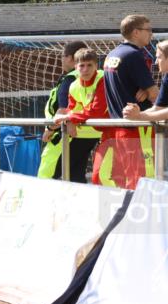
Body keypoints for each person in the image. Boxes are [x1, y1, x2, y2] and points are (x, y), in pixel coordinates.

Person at [57, 15, 158, 189]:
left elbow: (124, 87)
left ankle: (117, 212)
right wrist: (150, 91)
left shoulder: (112, 54)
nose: (151, 34)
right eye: (148, 30)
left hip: (114, 127)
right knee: (141, 177)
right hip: (137, 126)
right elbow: (155, 95)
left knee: (109, 176)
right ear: (136, 32)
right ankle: (139, 214)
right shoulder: (134, 55)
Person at [36, 41, 96, 182]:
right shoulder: (94, 77)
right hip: (88, 134)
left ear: (69, 58)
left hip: (67, 134)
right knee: (75, 176)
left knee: (47, 175)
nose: (61, 60)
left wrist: (50, 129)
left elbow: (63, 110)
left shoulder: (70, 78)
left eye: (62, 56)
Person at [124, 39, 168, 122]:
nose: (155, 62)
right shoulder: (166, 77)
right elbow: (158, 108)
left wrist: (139, 116)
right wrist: (134, 115)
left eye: (159, 57)